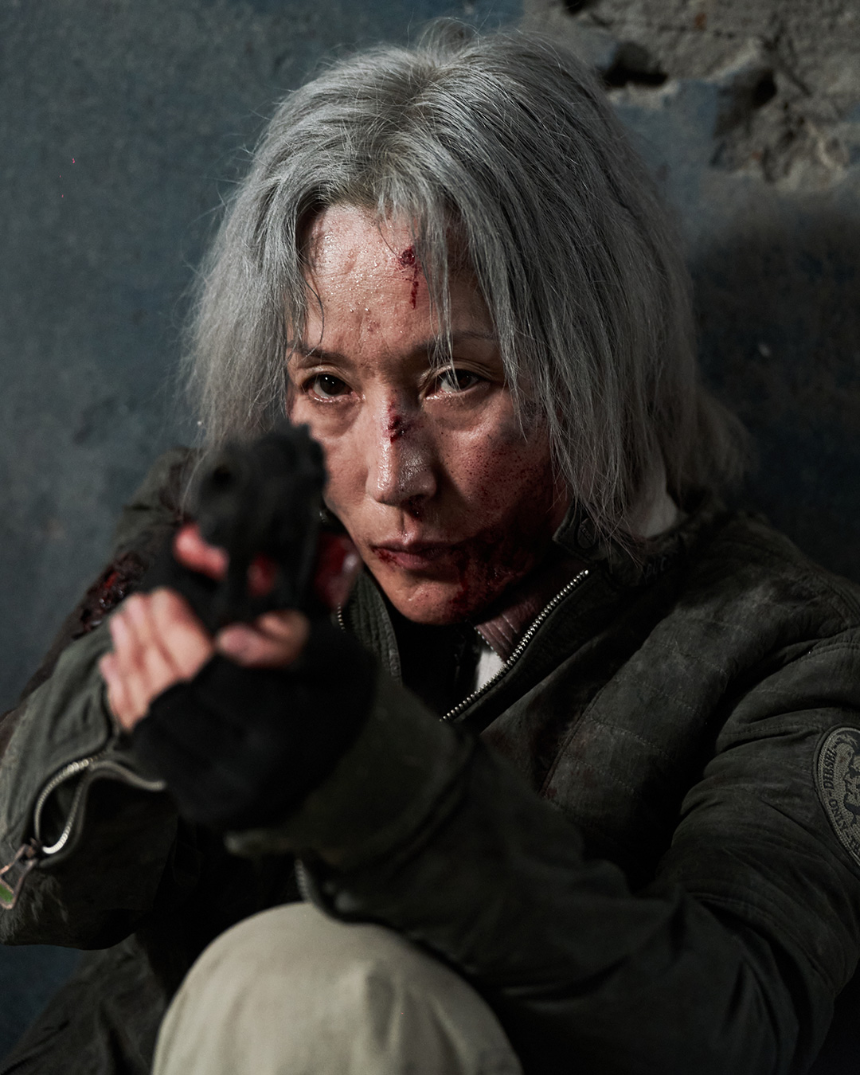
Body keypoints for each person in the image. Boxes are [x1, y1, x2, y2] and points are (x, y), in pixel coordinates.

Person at [2, 20, 860, 1075]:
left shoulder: (792, 654)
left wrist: (369, 777)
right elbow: (27, 881)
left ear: (594, 361)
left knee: (315, 986)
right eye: (327, 385)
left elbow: (731, 1028)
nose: (389, 474)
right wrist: (138, 693)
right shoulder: (230, 520)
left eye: (457, 380)